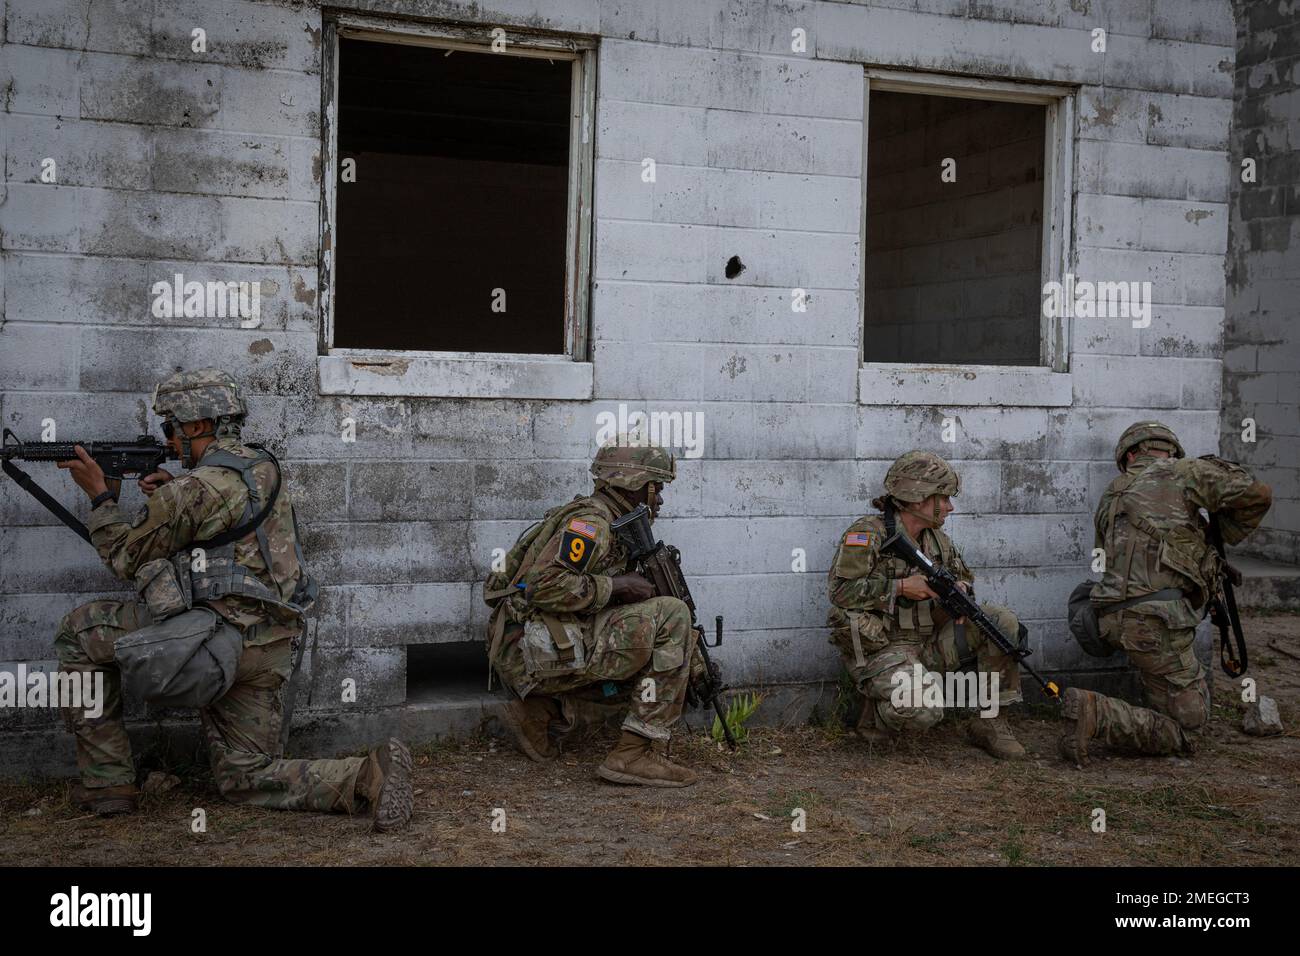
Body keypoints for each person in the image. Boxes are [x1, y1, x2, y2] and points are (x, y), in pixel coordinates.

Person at [53, 368, 412, 830]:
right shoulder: (264, 469)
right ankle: (366, 776)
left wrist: (102, 496)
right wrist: (170, 496)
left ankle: (108, 784)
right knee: (245, 777)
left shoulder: (192, 490)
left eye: (170, 428)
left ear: (197, 426)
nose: (168, 440)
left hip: (214, 645)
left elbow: (125, 557)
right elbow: (229, 532)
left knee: (78, 633)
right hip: (268, 647)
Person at [485, 442, 701, 786]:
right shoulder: (592, 524)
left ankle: (545, 716)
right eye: (656, 488)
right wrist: (616, 587)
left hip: (538, 643)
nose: (659, 499)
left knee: (656, 644)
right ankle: (633, 755)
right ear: (635, 484)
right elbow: (542, 585)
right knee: (672, 618)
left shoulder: (613, 521)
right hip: (527, 648)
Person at [1060, 422, 1272, 767]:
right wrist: (1228, 532)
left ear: (1131, 455)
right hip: (1155, 626)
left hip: (1113, 620)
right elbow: (1259, 494)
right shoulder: (1184, 471)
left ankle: (1138, 710)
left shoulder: (1112, 494)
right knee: (1191, 726)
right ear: (1168, 450)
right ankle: (1097, 712)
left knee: (1170, 699)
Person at [827, 451, 1027, 759]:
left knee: (999, 622)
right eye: (943, 498)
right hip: (883, 649)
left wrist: (961, 592)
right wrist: (900, 588)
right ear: (918, 498)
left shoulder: (937, 539)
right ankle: (875, 718)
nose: (950, 507)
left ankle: (990, 722)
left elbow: (964, 577)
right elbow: (840, 591)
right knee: (926, 711)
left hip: (928, 642)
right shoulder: (867, 534)